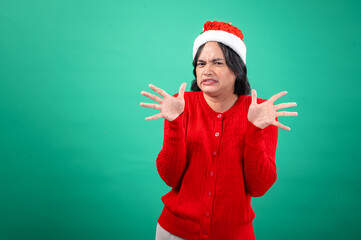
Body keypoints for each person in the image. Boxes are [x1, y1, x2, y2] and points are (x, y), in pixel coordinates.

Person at [140, 20, 298, 240]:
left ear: (237, 69)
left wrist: (254, 129)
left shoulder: (261, 112)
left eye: (217, 63)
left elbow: (259, 186)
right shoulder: (179, 104)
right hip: (174, 232)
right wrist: (175, 123)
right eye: (201, 63)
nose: (207, 71)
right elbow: (170, 177)